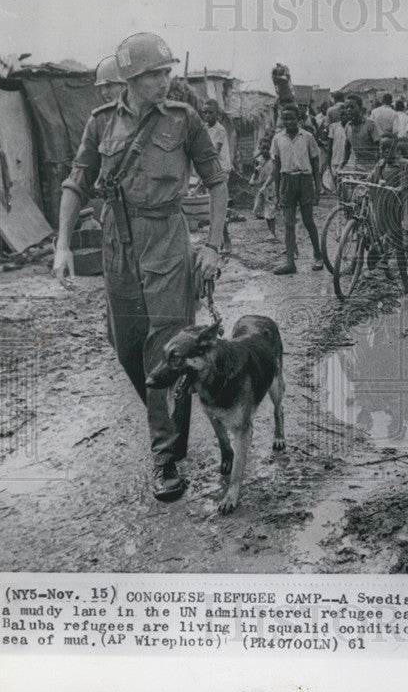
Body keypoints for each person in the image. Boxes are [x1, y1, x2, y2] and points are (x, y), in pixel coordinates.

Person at [53, 32, 226, 501]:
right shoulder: (101, 122)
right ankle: (173, 415)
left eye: (167, 71)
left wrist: (211, 245)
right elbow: (77, 181)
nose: (165, 80)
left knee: (161, 347)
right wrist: (63, 244)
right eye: (155, 73)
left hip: (167, 238)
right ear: (130, 78)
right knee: (127, 346)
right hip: (117, 242)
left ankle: (165, 456)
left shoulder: (184, 119)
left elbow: (216, 181)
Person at [271, 104, 325, 274]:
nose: (288, 122)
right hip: (287, 181)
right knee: (288, 224)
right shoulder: (278, 139)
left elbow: (316, 163)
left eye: (292, 118)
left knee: (308, 221)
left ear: (299, 120)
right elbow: (276, 166)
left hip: (305, 181)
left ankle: (318, 255)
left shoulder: (308, 137)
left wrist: (318, 187)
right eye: (285, 118)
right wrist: (277, 191)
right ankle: (290, 263)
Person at [369, 135, 408, 289]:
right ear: (379, 150)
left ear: (396, 150)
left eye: (390, 148)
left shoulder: (405, 165)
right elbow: (370, 181)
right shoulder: (380, 166)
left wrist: (405, 186)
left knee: (406, 244)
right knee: (397, 245)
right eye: (383, 148)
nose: (386, 152)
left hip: (407, 207)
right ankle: (405, 284)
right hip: (391, 210)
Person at [201, 99, 233, 252]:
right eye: (204, 113)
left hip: (221, 171)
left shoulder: (219, 130)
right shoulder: (206, 128)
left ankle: (225, 241)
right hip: (211, 171)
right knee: (213, 208)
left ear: (217, 114)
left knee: (218, 207)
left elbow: (213, 152)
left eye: (210, 113)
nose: (207, 116)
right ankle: (218, 240)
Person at [341, 94, 381, 172]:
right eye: (347, 107)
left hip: (372, 166)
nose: (349, 110)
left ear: (360, 109)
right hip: (357, 167)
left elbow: (379, 147)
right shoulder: (348, 126)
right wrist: (342, 165)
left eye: (352, 107)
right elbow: (347, 148)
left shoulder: (370, 124)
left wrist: (379, 169)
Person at [250, 137, 278, 240]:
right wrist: (253, 179)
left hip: (271, 186)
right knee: (264, 210)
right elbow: (255, 173)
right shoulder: (258, 160)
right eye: (263, 148)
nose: (265, 151)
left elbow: (275, 173)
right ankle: (270, 231)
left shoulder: (273, 159)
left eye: (267, 148)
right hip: (261, 187)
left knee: (271, 209)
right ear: (260, 148)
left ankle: (272, 232)